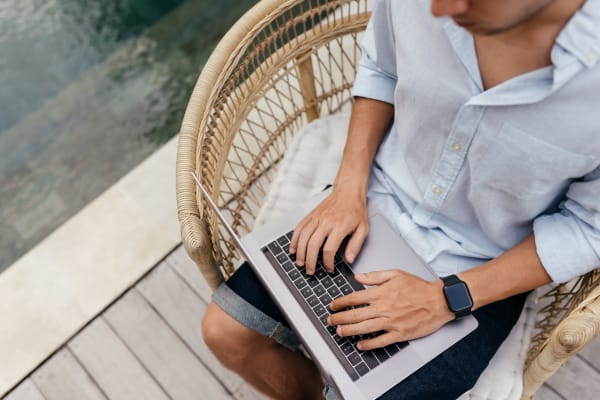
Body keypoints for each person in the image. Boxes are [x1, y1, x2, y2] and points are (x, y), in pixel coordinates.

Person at [202, 0, 600, 398]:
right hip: (376, 199)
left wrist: (447, 298)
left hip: (485, 268)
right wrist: (347, 188)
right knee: (227, 332)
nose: (441, 8)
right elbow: (382, 68)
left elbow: (590, 228)